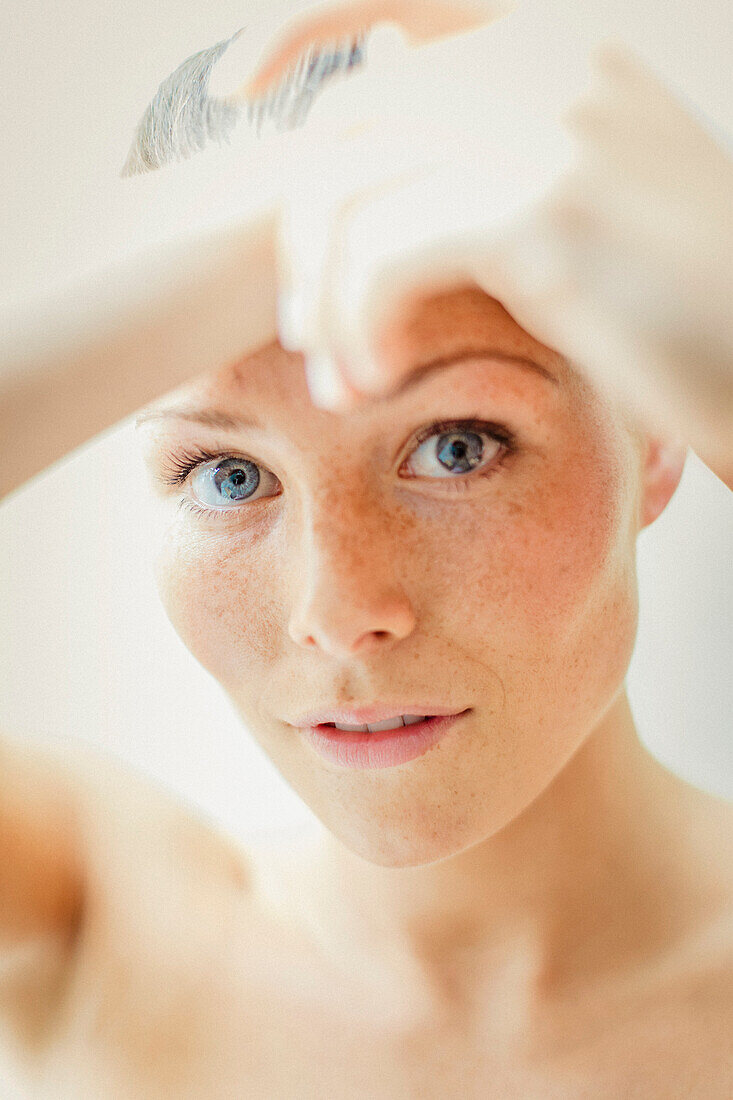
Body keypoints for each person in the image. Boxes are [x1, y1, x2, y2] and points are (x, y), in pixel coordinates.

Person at [1, 2, 731, 1097]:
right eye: (227, 475)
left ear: (659, 432)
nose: (339, 609)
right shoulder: (81, 917)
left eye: (456, 445)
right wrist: (262, 235)